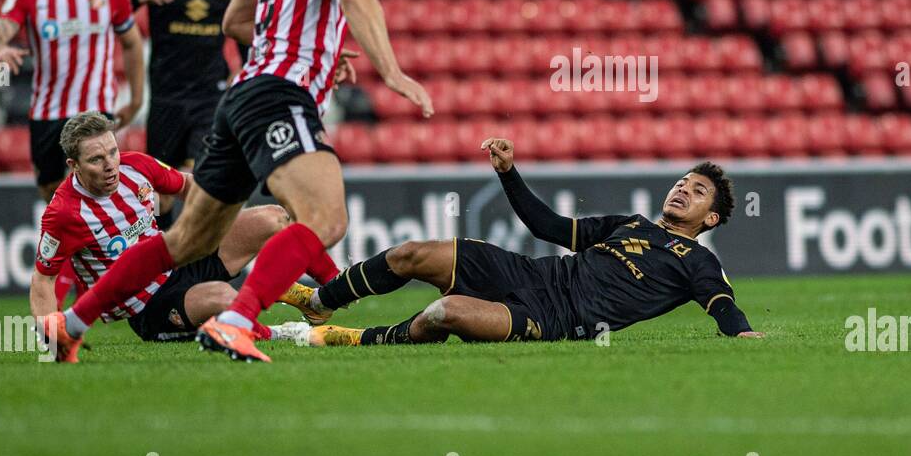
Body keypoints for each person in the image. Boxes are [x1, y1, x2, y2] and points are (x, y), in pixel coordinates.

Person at [49, 0, 433, 363]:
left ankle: (70, 322)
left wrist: (312, 49)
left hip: (237, 97)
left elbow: (234, 20)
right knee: (325, 220)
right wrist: (390, 70)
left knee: (185, 240)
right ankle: (237, 320)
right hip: (278, 96)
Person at [278, 137, 762, 346]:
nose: (682, 189)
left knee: (444, 313)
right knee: (410, 254)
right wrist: (509, 174)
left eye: (697, 191)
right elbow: (548, 227)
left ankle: (353, 339)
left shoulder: (696, 260)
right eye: (682, 182)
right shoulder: (630, 222)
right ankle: (321, 302)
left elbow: (722, 304)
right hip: (530, 273)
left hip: (558, 317)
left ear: (711, 217)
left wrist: (740, 332)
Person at [32, 112, 309, 360]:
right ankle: (283, 334)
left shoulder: (136, 166)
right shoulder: (65, 213)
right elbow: (44, 278)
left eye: (113, 152)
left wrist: (214, 223)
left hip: (180, 258)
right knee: (226, 299)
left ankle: (307, 296)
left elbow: (187, 186)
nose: (110, 165)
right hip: (149, 306)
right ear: (74, 165)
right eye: (96, 159)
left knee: (273, 217)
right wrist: (52, 337)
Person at [0, 0, 146, 307]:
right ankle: (79, 285)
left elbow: (131, 44)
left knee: (96, 195)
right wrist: (0, 50)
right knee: (55, 202)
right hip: (48, 115)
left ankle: (90, 291)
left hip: (94, 114)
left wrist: (137, 97)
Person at [125, 0, 245, 227]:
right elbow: (117, 5)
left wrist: (247, 71)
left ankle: (197, 256)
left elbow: (247, 30)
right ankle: (162, 254)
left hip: (210, 95)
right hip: (166, 96)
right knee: (162, 189)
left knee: (199, 178)